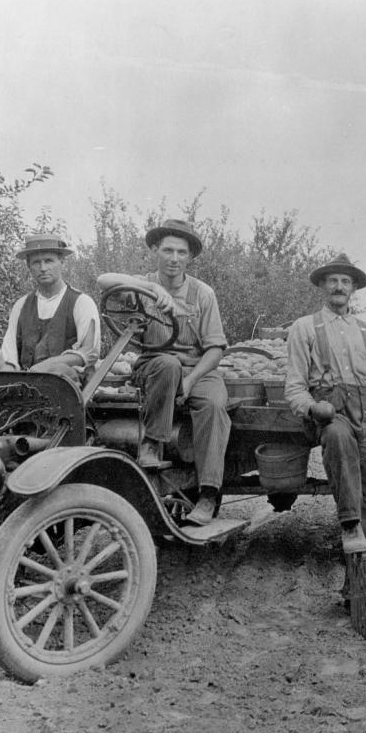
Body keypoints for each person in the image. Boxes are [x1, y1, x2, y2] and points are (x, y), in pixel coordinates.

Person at [97, 219, 230, 527]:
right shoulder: (140, 286)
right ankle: (151, 443)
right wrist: (152, 287)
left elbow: (215, 349)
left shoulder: (202, 294)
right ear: (155, 251)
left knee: (213, 404)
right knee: (166, 364)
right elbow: (104, 279)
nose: (173, 258)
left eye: (181, 252)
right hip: (152, 366)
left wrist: (191, 380)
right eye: (167, 250)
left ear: (190, 257)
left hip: (195, 369)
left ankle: (208, 494)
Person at [284, 253, 366, 554]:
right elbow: (295, 388)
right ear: (322, 285)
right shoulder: (305, 328)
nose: (339, 286)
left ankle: (365, 584)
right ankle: (349, 524)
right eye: (333, 280)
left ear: (353, 288)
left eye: (345, 281)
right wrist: (312, 408)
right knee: (337, 436)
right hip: (329, 415)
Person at [1, 234, 100, 385]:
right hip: (27, 386)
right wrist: (4, 379)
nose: (43, 268)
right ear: (28, 266)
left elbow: (89, 352)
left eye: (49, 261)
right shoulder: (21, 306)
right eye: (36, 262)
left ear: (62, 262)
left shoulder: (81, 302)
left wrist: (46, 367)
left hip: (69, 387)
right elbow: (9, 355)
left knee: (59, 372)